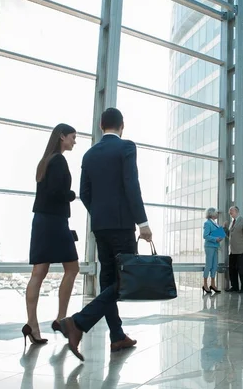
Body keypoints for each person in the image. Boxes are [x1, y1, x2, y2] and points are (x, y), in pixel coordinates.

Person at [59, 108, 152, 361]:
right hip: (122, 225)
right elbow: (132, 185)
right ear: (121, 126)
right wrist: (142, 223)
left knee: (109, 279)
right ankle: (77, 322)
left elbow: (84, 192)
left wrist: (99, 213)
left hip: (100, 226)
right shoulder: (126, 148)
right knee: (124, 280)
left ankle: (117, 336)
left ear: (101, 126)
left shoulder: (89, 155)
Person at [23, 124, 79, 347]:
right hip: (55, 221)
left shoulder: (45, 161)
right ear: (62, 136)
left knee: (38, 272)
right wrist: (72, 195)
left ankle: (32, 324)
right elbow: (58, 192)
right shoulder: (59, 160)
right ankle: (61, 319)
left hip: (41, 221)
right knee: (72, 268)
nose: (74, 141)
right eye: (73, 137)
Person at [223, 206, 243, 294]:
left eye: (231, 211)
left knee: (242, 270)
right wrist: (225, 228)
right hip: (233, 251)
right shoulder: (232, 223)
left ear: (236, 211)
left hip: (241, 250)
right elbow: (229, 236)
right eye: (229, 211)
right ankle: (234, 287)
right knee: (232, 270)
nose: (229, 213)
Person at [203, 207, 223, 294]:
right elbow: (205, 236)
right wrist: (215, 239)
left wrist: (220, 237)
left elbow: (217, 234)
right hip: (209, 246)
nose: (217, 214)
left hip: (215, 246)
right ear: (212, 214)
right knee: (209, 265)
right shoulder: (207, 223)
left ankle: (213, 284)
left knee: (214, 265)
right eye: (216, 213)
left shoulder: (215, 223)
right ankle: (205, 285)